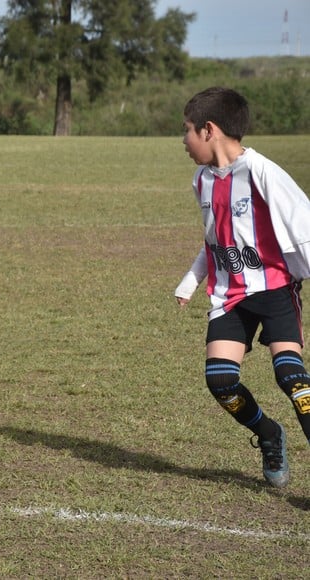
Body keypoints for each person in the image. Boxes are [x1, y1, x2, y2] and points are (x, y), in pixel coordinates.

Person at [175, 86, 310, 489]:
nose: (182, 140)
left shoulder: (261, 172)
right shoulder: (202, 180)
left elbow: (303, 226)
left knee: (294, 380)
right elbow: (215, 240)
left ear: (208, 130)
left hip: (273, 290)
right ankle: (269, 434)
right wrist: (191, 278)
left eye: (186, 131)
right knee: (221, 381)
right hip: (230, 297)